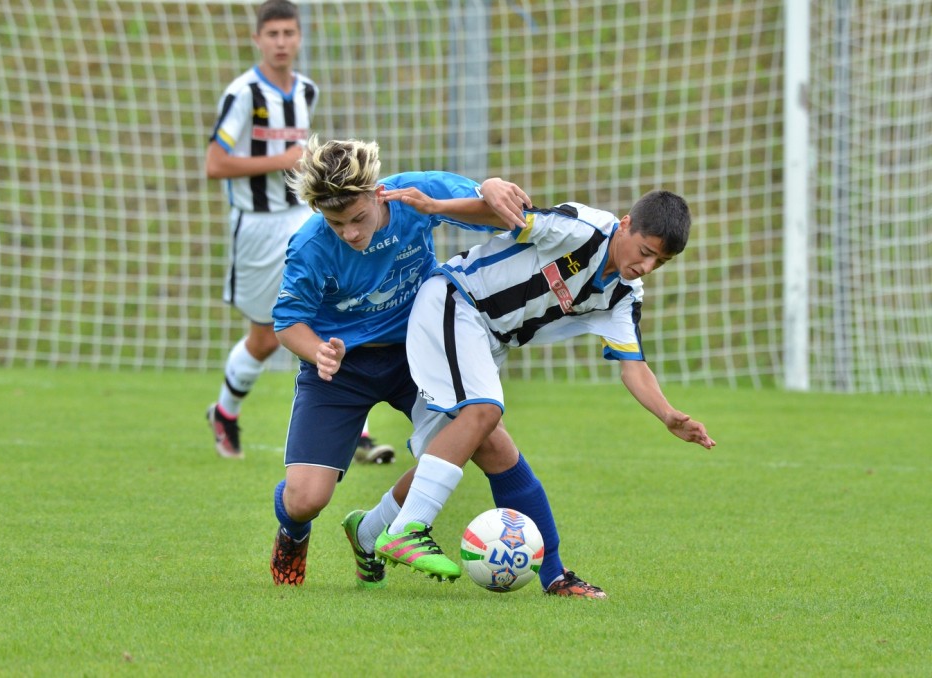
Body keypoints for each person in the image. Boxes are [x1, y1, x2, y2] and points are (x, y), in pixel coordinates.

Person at [356, 188, 716, 598]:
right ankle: (408, 529)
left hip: (488, 340)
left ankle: (369, 532)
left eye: (660, 262)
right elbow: (505, 216)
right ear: (627, 224)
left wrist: (667, 414)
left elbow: (633, 366)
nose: (647, 266)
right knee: (485, 411)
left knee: (493, 451)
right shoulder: (582, 230)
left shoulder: (622, 295)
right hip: (456, 300)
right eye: (646, 251)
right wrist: (437, 208)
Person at [268, 135, 531, 586]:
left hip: (416, 353)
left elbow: (496, 216)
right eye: (336, 222)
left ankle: (372, 532)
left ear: (377, 193)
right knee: (306, 499)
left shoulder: (413, 194)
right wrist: (319, 352)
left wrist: (488, 186)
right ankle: (293, 533)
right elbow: (288, 320)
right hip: (341, 368)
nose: (350, 232)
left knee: (482, 438)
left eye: (358, 218)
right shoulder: (309, 246)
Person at [202, 0, 392, 462]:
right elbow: (215, 163)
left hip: (301, 221)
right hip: (255, 229)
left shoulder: (306, 91)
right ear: (258, 40)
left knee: (329, 311)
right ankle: (225, 413)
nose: (282, 42)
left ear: (299, 38)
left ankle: (358, 432)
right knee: (266, 337)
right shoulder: (244, 94)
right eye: (273, 35)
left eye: (289, 33)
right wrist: (281, 161)